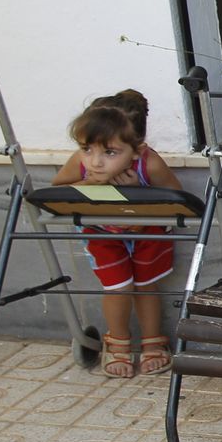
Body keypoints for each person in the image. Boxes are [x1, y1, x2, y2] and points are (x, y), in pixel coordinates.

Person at [51, 90, 183, 379]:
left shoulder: (149, 163)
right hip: (102, 231)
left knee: (146, 286)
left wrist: (140, 191)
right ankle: (117, 343)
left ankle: (153, 342)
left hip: (148, 232)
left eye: (109, 152)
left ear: (135, 149)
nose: (96, 161)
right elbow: (59, 186)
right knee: (117, 287)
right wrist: (88, 183)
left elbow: (177, 198)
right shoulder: (85, 161)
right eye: (88, 149)